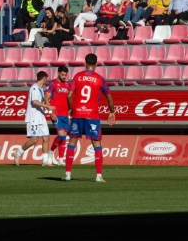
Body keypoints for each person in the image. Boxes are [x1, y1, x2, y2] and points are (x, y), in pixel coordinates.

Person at [64, 54, 116, 183]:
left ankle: (68, 174)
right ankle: (98, 176)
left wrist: (71, 108)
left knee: (72, 142)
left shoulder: (78, 76)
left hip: (77, 114)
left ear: (84, 63)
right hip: (92, 115)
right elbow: (109, 96)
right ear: (96, 64)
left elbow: (69, 95)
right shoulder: (99, 79)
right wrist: (112, 111)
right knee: (97, 144)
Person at [13, 70, 54, 166]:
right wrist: (48, 107)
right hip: (34, 118)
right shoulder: (34, 88)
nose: (45, 82)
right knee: (34, 140)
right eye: (45, 80)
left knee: (46, 138)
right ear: (43, 79)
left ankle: (45, 161)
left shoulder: (40, 89)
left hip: (41, 116)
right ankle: (18, 153)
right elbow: (34, 102)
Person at [44, 66, 71, 166]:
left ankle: (60, 160)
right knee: (60, 135)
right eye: (62, 75)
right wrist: (50, 113)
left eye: (65, 75)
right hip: (57, 114)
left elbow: (69, 98)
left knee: (64, 137)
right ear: (58, 73)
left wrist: (70, 109)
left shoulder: (67, 84)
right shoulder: (53, 83)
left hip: (65, 114)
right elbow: (46, 98)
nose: (64, 77)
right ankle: (51, 152)